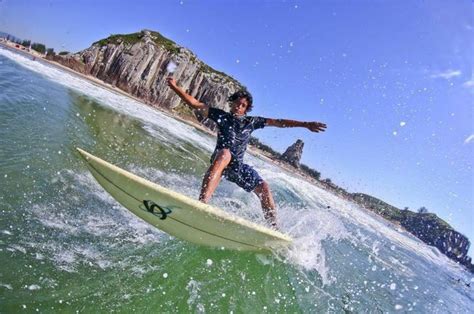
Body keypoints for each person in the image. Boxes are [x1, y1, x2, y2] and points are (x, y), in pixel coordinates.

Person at [166, 77, 327, 227]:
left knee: (264, 187)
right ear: (232, 103)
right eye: (237, 103)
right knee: (225, 154)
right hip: (222, 161)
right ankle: (202, 203)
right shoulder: (220, 116)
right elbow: (195, 103)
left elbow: (278, 122)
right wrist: (174, 86)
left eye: (243, 105)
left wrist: (305, 124)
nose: (239, 106)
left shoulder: (251, 122)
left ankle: (273, 228)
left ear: (246, 109)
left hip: (238, 167)